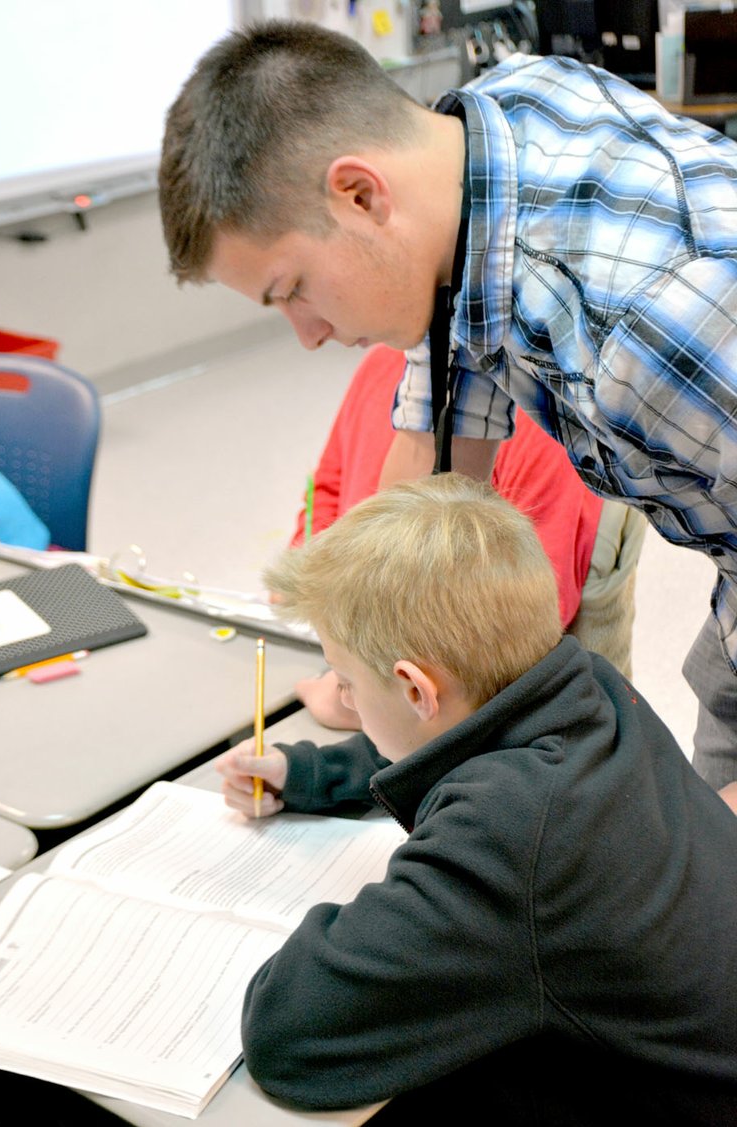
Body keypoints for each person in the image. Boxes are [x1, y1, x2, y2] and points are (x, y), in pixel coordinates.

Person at [159, 22, 737, 790]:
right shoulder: (473, 148)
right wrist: (358, 699)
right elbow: (423, 502)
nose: (306, 335)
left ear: (360, 193)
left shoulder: (651, 330)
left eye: (292, 289)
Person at [217, 473, 737, 1123]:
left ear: (414, 688)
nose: (342, 698)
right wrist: (312, 773)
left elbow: (288, 1034)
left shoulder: (513, 830)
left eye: (347, 682)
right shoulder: (591, 688)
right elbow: (456, 734)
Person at [287, 342, 644, 727]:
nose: (310, 337)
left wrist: (354, 697)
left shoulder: (531, 419)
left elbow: (524, 627)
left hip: (477, 681)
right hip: (387, 670)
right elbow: (326, 489)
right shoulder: (378, 364)